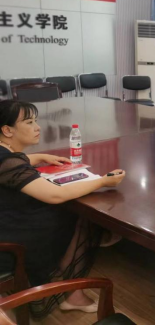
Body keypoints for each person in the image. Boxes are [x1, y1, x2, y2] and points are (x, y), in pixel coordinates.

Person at [0, 100, 126, 317]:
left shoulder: (5, 155)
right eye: (29, 122)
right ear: (7, 130)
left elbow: (14, 161)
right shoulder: (7, 162)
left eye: (35, 121)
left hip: (6, 223)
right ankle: (72, 292)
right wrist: (103, 181)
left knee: (67, 212)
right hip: (9, 241)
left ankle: (73, 277)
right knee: (76, 216)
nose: (37, 127)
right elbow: (55, 194)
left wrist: (40, 157)